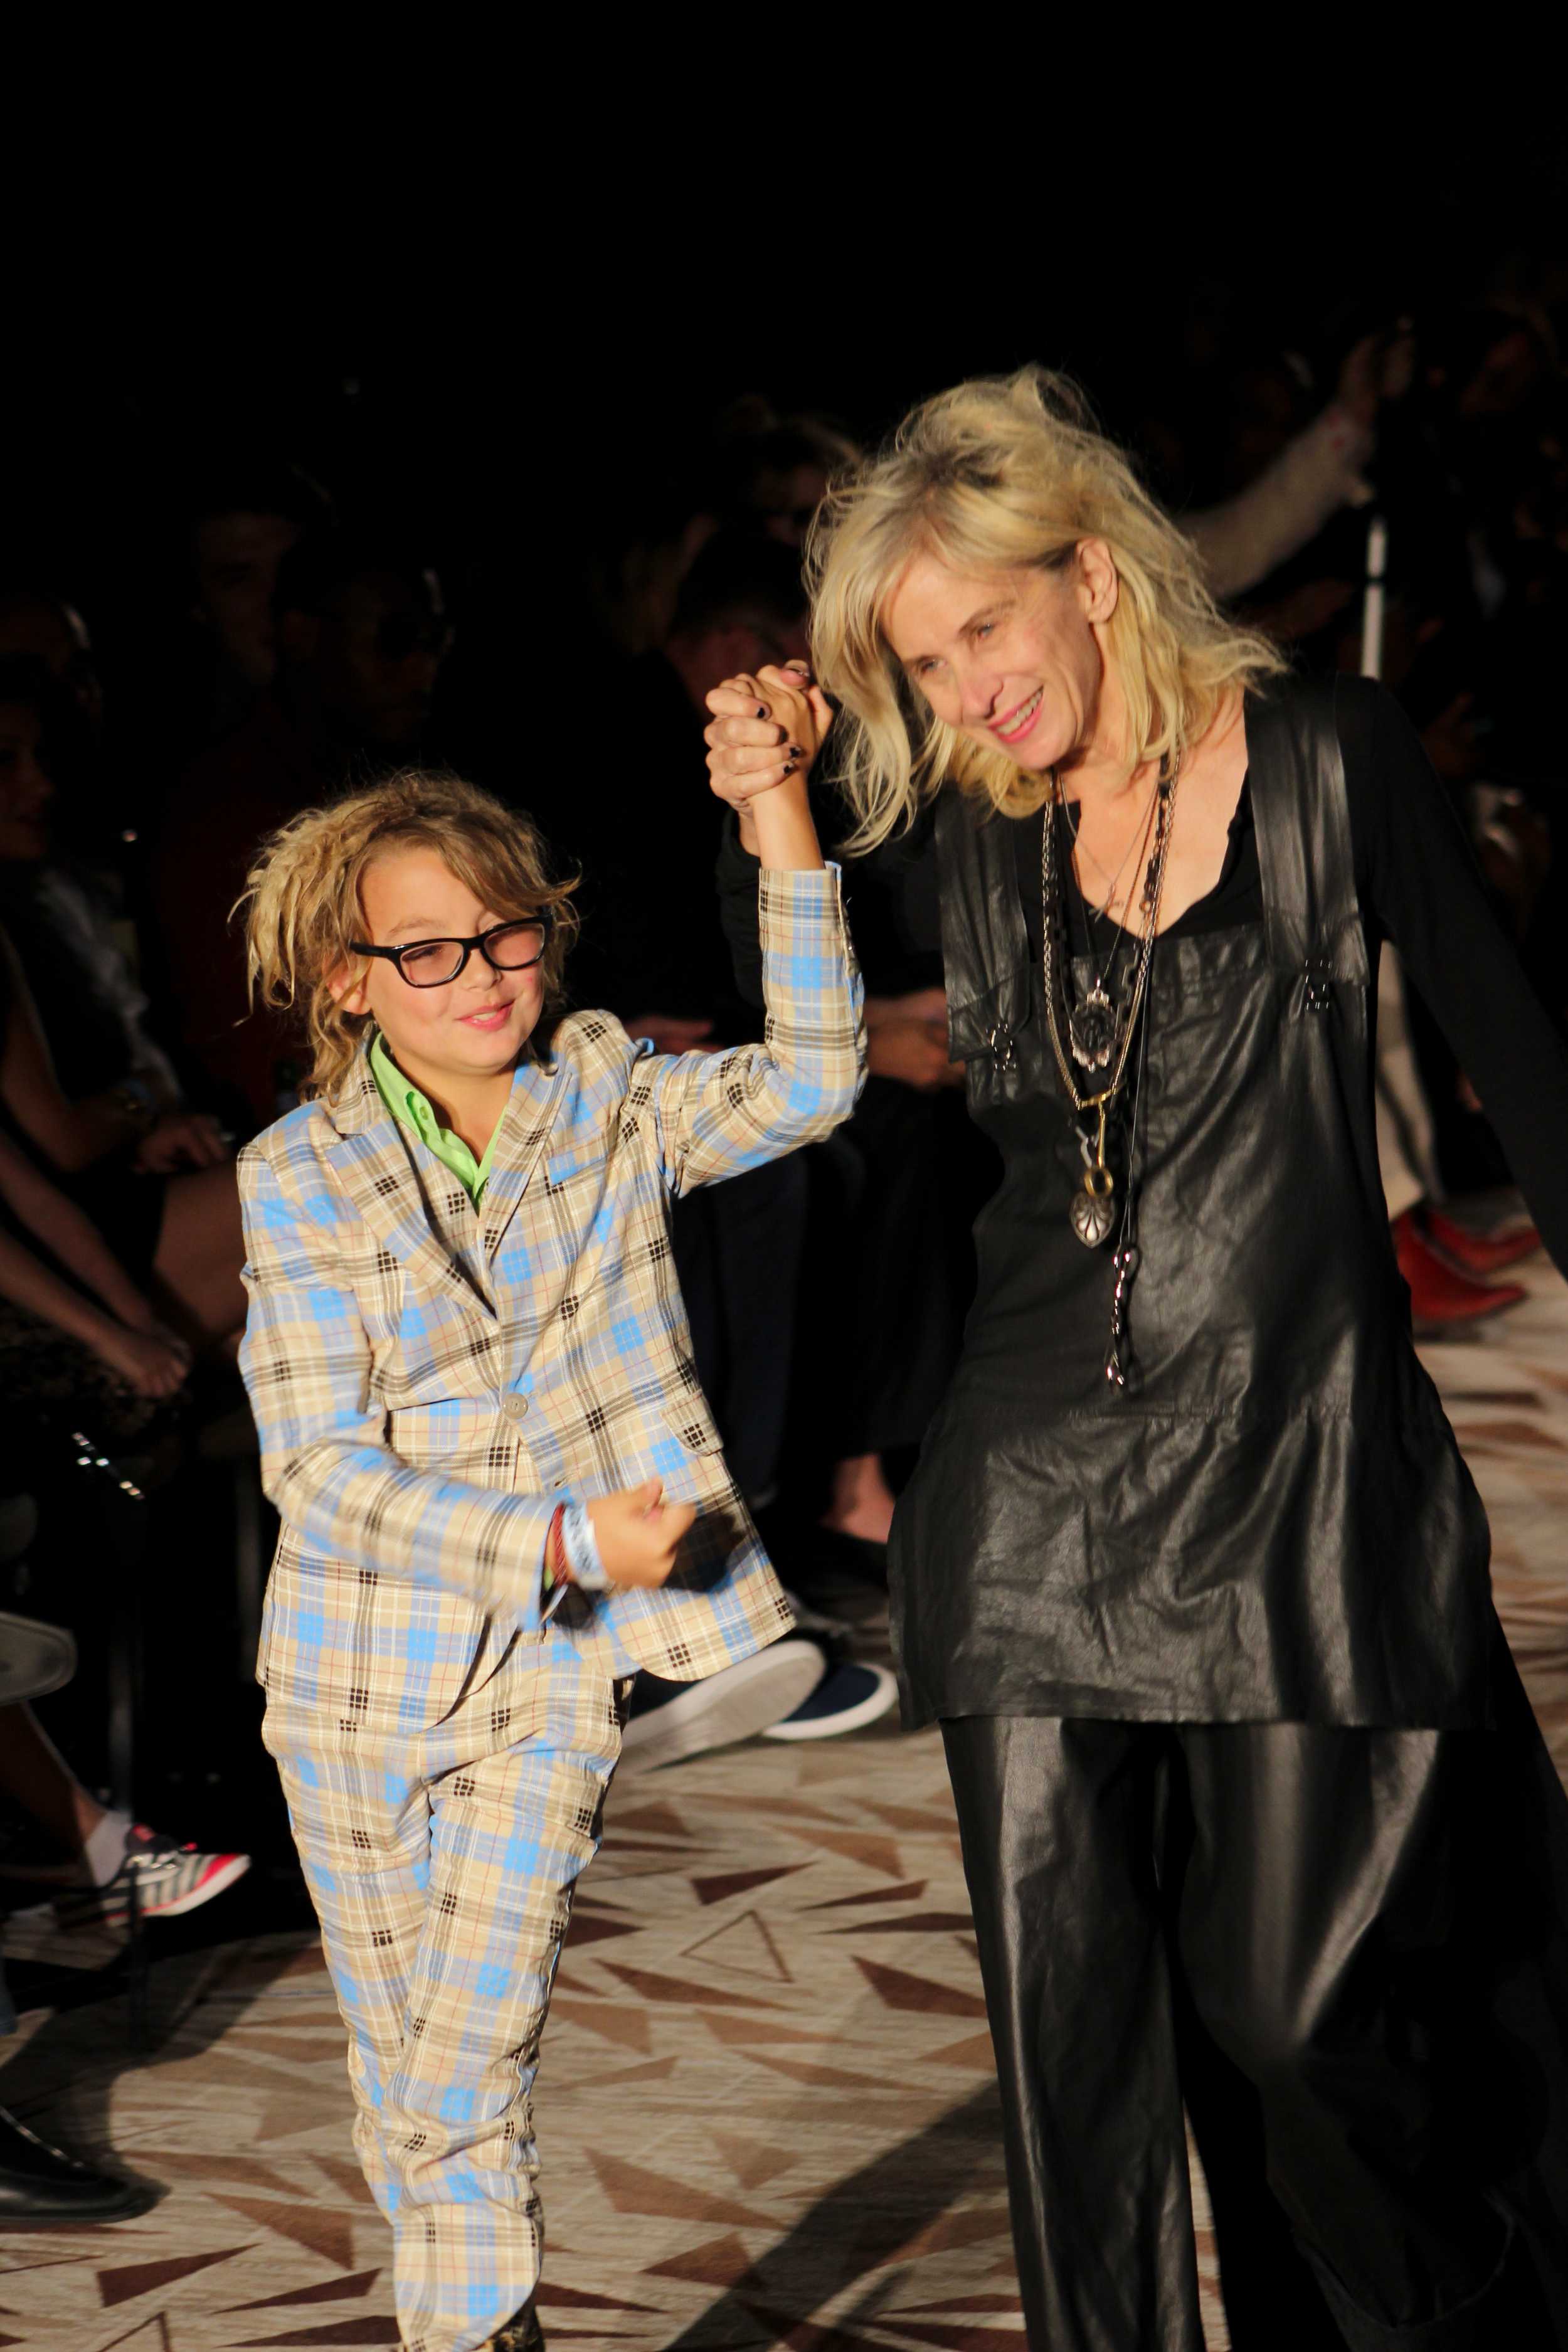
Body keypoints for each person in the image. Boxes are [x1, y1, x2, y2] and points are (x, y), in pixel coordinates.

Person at [708, 367, 1568, 2349]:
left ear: (1088, 575)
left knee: (1286, 2007)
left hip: (1286, 1477)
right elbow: (814, 1084)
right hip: (1022, 1500)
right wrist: (778, 820)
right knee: (1072, 2072)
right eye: (922, 665)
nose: (970, 692)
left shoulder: (1327, 754)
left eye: (981, 629)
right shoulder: (976, 837)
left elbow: (1523, 1076)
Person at [234, 746, 861, 2352]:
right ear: (349, 980)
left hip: (560, 1662)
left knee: (468, 2047)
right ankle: (478, 2310)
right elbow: (319, 1465)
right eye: (427, 949)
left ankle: (470, 2331)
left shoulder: (603, 1091)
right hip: (351, 1679)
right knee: (403, 2060)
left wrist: (776, 813)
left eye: (507, 935)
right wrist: (560, 1525)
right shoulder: (294, 1175)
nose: (481, 976)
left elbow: (809, 1080)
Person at [156, 532, 453, 1125]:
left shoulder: (417, 780)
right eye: (393, 640)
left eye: (435, 640)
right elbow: (257, 1043)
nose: (424, 667)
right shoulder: (231, 806)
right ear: (303, 634)